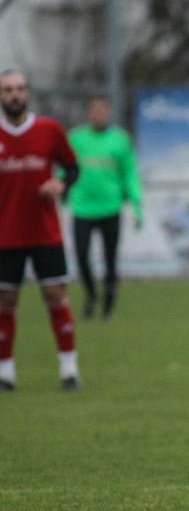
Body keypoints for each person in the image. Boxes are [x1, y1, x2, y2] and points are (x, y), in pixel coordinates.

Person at [0, 69, 81, 391]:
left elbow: (73, 168)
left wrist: (60, 183)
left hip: (45, 231)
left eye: (19, 89)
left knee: (55, 294)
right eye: (7, 90)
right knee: (6, 300)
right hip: (6, 232)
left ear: (28, 93)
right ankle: (5, 372)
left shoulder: (49, 130)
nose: (14, 95)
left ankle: (69, 369)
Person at [67, 94, 143, 320]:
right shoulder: (75, 139)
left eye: (102, 110)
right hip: (82, 208)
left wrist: (137, 205)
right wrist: (60, 193)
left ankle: (108, 306)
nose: (99, 114)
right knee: (81, 256)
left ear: (108, 112)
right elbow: (66, 169)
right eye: (94, 110)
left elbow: (129, 173)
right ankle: (91, 295)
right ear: (88, 113)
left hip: (111, 208)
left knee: (110, 260)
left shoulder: (120, 140)